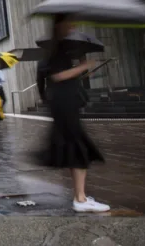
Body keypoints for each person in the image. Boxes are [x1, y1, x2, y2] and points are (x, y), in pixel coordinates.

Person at [36, 15, 109, 213]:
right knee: (79, 149)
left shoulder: (58, 49)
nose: (73, 26)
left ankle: (80, 196)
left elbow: (60, 77)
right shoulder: (57, 49)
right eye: (69, 22)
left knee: (74, 149)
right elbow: (57, 76)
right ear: (59, 25)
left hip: (64, 104)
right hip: (65, 105)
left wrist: (81, 71)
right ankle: (80, 199)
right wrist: (83, 66)